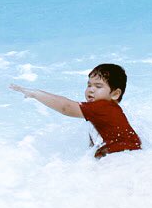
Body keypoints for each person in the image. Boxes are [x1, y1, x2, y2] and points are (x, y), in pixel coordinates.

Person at [10, 64, 142, 159]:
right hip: (130, 154)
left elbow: (65, 107)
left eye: (98, 86)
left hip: (123, 155)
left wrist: (35, 94)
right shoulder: (108, 109)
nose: (91, 90)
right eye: (89, 85)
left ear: (115, 94)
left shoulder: (102, 107)